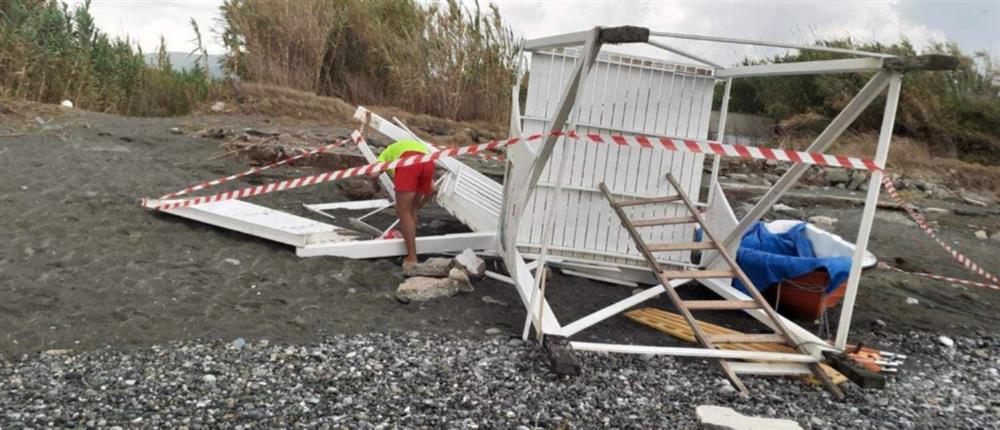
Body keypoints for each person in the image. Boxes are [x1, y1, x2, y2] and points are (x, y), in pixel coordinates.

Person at [370, 139, 436, 266]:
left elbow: (373, 174)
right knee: (411, 210)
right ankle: (410, 244)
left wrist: (375, 185)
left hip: (407, 163)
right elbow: (433, 189)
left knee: (403, 212)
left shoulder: (386, 154)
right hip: (428, 162)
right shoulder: (411, 148)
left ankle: (412, 257)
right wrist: (419, 206)